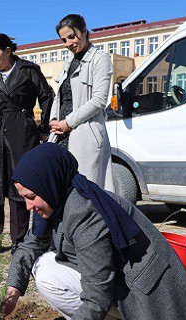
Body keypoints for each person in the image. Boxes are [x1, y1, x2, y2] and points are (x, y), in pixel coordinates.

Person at [0, 142, 186, 320]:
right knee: (42, 265)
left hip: (150, 300)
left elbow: (98, 294)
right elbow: (30, 244)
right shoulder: (56, 198)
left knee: (46, 273)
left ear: (49, 184)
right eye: (24, 197)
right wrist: (12, 291)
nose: (28, 206)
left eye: (31, 196)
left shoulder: (84, 213)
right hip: (121, 282)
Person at [0, 34, 54, 254]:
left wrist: (43, 128)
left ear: (7, 51)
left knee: (19, 190)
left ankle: (19, 243)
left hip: (21, 135)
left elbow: (46, 96)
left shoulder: (29, 70)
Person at [49, 14, 114, 190]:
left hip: (85, 133)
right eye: (64, 40)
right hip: (61, 134)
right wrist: (53, 120)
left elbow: (99, 100)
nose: (69, 43)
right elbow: (60, 95)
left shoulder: (100, 59)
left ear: (84, 31)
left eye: (72, 36)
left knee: (86, 191)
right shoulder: (69, 62)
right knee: (60, 188)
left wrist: (68, 123)